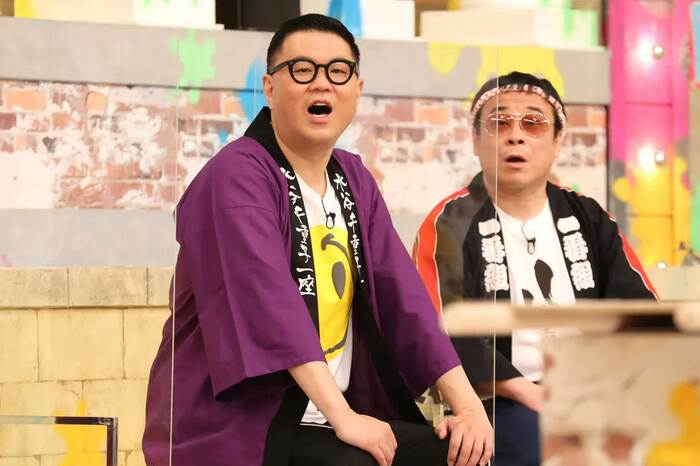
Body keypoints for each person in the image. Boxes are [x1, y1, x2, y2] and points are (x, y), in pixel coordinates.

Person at [143, 14, 493, 466]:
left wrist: (469, 409)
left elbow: (403, 298)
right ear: (269, 87)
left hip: (328, 416)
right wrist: (343, 418)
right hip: (238, 422)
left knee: (466, 454)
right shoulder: (238, 175)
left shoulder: (353, 178)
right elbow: (270, 303)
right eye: (302, 70)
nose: (322, 83)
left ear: (357, 89)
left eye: (338, 71)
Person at [413, 71, 658, 466]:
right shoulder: (450, 221)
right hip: (497, 399)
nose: (515, 136)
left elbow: (639, 309)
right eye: (499, 122)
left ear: (558, 140)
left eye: (533, 122)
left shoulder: (590, 217)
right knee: (544, 444)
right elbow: (440, 323)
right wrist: (528, 392)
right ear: (475, 140)